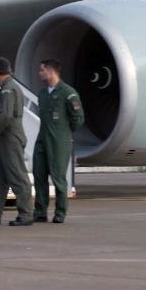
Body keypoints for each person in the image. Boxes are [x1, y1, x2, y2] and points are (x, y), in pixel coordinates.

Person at [0, 58, 33, 226]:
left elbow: (5, 117)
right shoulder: (10, 87)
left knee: (18, 177)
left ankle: (25, 215)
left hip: (10, 138)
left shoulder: (8, 90)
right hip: (6, 139)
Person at [33, 59, 85, 224]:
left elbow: (78, 118)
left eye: (42, 70)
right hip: (42, 139)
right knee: (39, 175)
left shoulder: (67, 93)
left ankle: (60, 212)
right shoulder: (42, 93)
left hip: (58, 141)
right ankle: (40, 211)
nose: (40, 73)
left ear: (51, 71)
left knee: (58, 178)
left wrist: (64, 133)